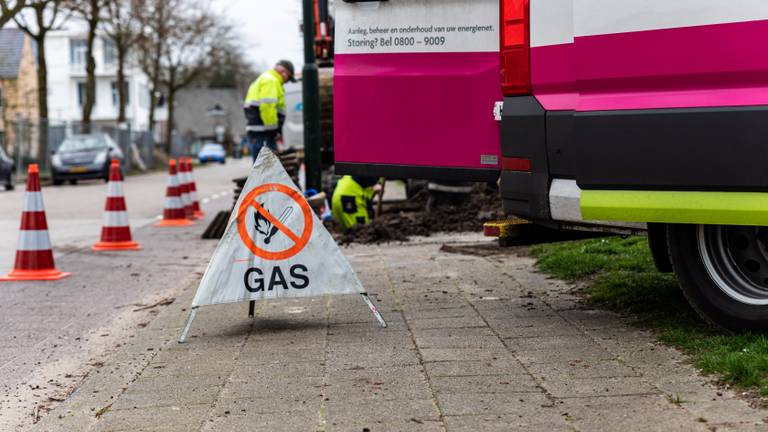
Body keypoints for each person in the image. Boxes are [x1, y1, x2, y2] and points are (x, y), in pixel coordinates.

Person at [243, 60, 297, 161]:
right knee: (268, 169)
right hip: (263, 133)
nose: (287, 81)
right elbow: (268, 107)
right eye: (289, 77)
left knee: (262, 168)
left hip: (260, 132)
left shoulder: (265, 79)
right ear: (283, 72)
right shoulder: (271, 81)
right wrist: (272, 130)